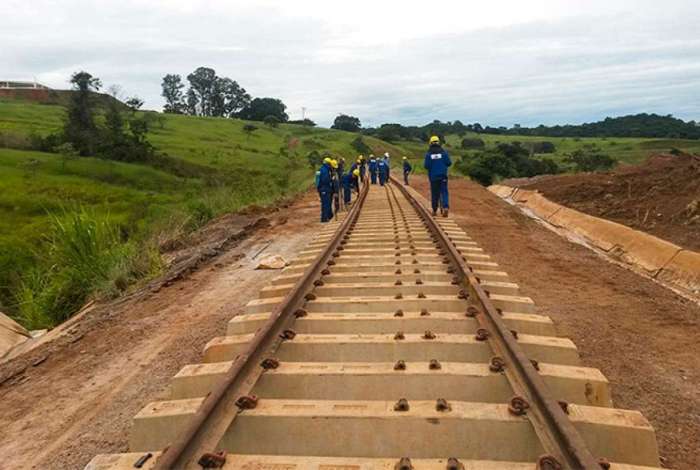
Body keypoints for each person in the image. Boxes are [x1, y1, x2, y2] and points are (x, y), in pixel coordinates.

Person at [423, 135, 451, 217]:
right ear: (439, 142)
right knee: (444, 192)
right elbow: (449, 163)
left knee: (435, 194)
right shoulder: (444, 152)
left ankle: (434, 210)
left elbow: (426, 166)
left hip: (433, 178)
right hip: (443, 176)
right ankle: (445, 207)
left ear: (430, 143)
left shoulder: (428, 154)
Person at [316, 157, 334, 222]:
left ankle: (329, 216)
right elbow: (325, 180)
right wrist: (331, 179)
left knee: (327, 203)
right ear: (328, 164)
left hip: (323, 189)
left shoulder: (322, 169)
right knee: (325, 204)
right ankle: (324, 218)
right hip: (325, 189)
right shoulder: (325, 170)